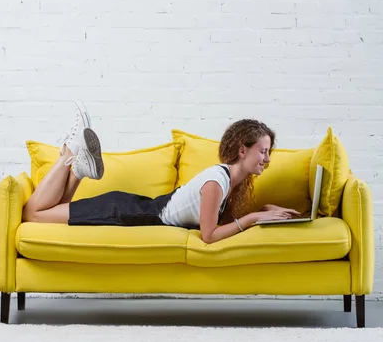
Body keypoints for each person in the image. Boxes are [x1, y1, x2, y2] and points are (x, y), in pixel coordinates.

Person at [22, 102, 300, 243]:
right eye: (263, 151)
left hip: (132, 208)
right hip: (125, 213)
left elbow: (221, 221)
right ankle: (70, 154)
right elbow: (209, 236)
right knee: (32, 215)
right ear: (243, 150)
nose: (267, 159)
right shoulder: (217, 181)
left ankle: (79, 169)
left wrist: (264, 210)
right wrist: (253, 218)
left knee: (54, 211)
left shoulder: (228, 181)